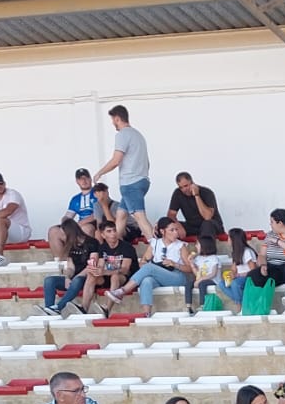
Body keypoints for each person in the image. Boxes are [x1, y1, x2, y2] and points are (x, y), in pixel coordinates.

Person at [92, 104, 154, 238]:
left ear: (117, 118)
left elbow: (116, 160)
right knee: (121, 215)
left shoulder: (122, 135)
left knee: (139, 216)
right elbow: (147, 162)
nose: (112, 123)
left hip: (130, 183)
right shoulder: (138, 135)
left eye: (113, 119)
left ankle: (157, 249)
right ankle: (115, 246)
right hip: (142, 180)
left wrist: (100, 173)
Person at [116, 217, 192, 310]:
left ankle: (123, 291)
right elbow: (143, 262)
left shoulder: (180, 246)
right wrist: (145, 265)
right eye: (172, 230)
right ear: (162, 231)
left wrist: (174, 264)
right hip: (159, 276)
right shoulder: (155, 243)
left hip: (177, 276)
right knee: (146, 281)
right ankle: (147, 313)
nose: (176, 232)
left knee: (149, 268)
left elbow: (190, 268)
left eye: (176, 229)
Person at [41, 219, 101, 315]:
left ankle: (59, 307)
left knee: (77, 280)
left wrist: (77, 277)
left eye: (63, 234)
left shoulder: (92, 243)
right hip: (74, 276)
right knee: (49, 280)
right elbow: (70, 267)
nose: (61, 237)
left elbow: (92, 265)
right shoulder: (70, 245)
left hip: (86, 276)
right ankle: (49, 308)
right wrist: (67, 277)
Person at [83, 219, 139, 314]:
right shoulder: (102, 247)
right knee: (91, 275)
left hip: (126, 279)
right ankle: (84, 308)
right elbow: (101, 265)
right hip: (108, 276)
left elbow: (125, 269)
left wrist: (105, 272)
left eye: (114, 230)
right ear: (103, 235)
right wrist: (96, 270)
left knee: (115, 277)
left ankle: (106, 309)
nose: (113, 233)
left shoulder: (127, 247)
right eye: (109, 231)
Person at [165, 172, 223, 244]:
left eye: (186, 186)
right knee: (165, 224)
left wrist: (196, 195)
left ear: (192, 182)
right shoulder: (178, 193)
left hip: (212, 225)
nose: (184, 190)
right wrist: (177, 225)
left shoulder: (207, 192)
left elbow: (207, 217)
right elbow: (171, 214)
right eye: (181, 187)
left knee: (207, 224)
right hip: (193, 226)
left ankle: (207, 252)